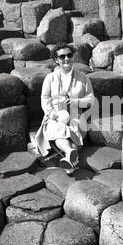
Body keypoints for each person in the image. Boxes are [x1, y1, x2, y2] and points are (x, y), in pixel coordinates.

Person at [35, 43, 95, 174]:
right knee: (58, 129)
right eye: (62, 56)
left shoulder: (83, 78)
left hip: (76, 116)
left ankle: (69, 158)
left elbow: (91, 100)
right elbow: (45, 98)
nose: (66, 59)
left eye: (69, 55)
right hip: (55, 116)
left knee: (73, 131)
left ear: (73, 57)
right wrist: (51, 114)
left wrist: (76, 101)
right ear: (56, 60)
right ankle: (70, 154)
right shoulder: (50, 78)